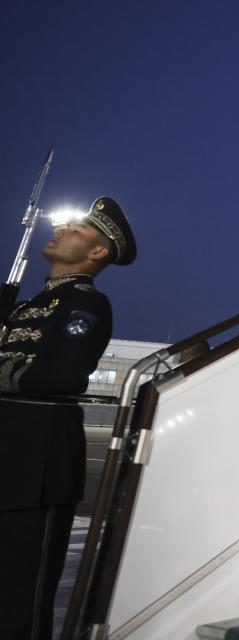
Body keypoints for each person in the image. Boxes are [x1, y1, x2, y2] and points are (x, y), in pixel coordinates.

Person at [0, 196, 136, 640]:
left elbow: (60, 373)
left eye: (76, 229)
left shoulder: (87, 305)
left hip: (36, 457)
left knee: (20, 595)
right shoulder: (28, 305)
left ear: (98, 252)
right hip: (10, 447)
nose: (60, 230)